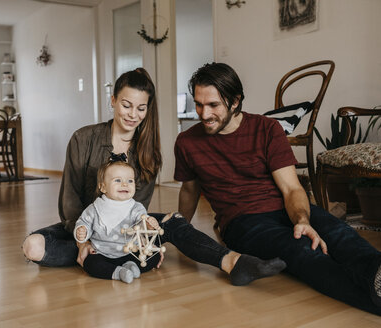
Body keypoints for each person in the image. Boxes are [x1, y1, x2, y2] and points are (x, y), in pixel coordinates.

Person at [22, 67, 286, 286]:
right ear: (113, 100)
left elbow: (139, 210)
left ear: (148, 110)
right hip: (85, 228)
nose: (132, 115)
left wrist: (146, 240)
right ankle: (103, 257)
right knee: (33, 246)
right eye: (126, 105)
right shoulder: (83, 138)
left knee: (173, 222)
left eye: (141, 108)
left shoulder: (149, 154)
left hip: (127, 232)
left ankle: (233, 262)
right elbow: (69, 203)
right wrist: (85, 241)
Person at [174, 62, 381, 314]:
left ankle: (377, 277)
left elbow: (292, 189)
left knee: (340, 234)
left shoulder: (266, 129)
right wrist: (178, 229)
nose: (203, 114)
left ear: (235, 101)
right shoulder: (187, 142)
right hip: (242, 222)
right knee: (301, 250)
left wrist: (302, 220)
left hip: (283, 207)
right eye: (198, 104)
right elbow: (189, 190)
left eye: (213, 105)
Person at [74, 160, 162, 284]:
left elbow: (142, 225)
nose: (125, 184)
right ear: (102, 187)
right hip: (103, 253)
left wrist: (149, 224)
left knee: (155, 255)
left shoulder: (136, 208)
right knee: (90, 263)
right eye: (118, 180)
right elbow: (84, 222)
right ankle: (118, 272)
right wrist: (82, 230)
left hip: (132, 253)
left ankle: (131, 266)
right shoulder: (95, 208)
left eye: (130, 181)